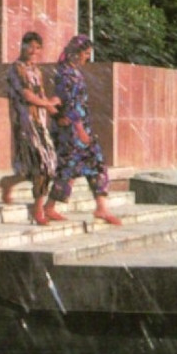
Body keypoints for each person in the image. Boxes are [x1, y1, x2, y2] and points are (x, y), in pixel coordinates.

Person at [50, 34, 121, 226]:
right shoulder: (66, 74)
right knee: (69, 169)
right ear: (76, 53)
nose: (87, 58)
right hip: (73, 131)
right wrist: (80, 130)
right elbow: (71, 105)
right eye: (86, 53)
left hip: (81, 127)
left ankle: (101, 208)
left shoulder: (74, 71)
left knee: (94, 163)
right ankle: (49, 206)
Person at [0, 32, 60, 226]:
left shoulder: (36, 70)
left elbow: (38, 94)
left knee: (38, 166)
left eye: (37, 47)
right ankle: (38, 209)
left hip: (39, 123)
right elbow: (26, 95)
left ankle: (8, 182)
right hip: (25, 124)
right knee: (45, 163)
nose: (33, 51)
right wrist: (47, 104)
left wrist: (49, 105)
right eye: (30, 46)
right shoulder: (16, 69)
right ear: (22, 46)